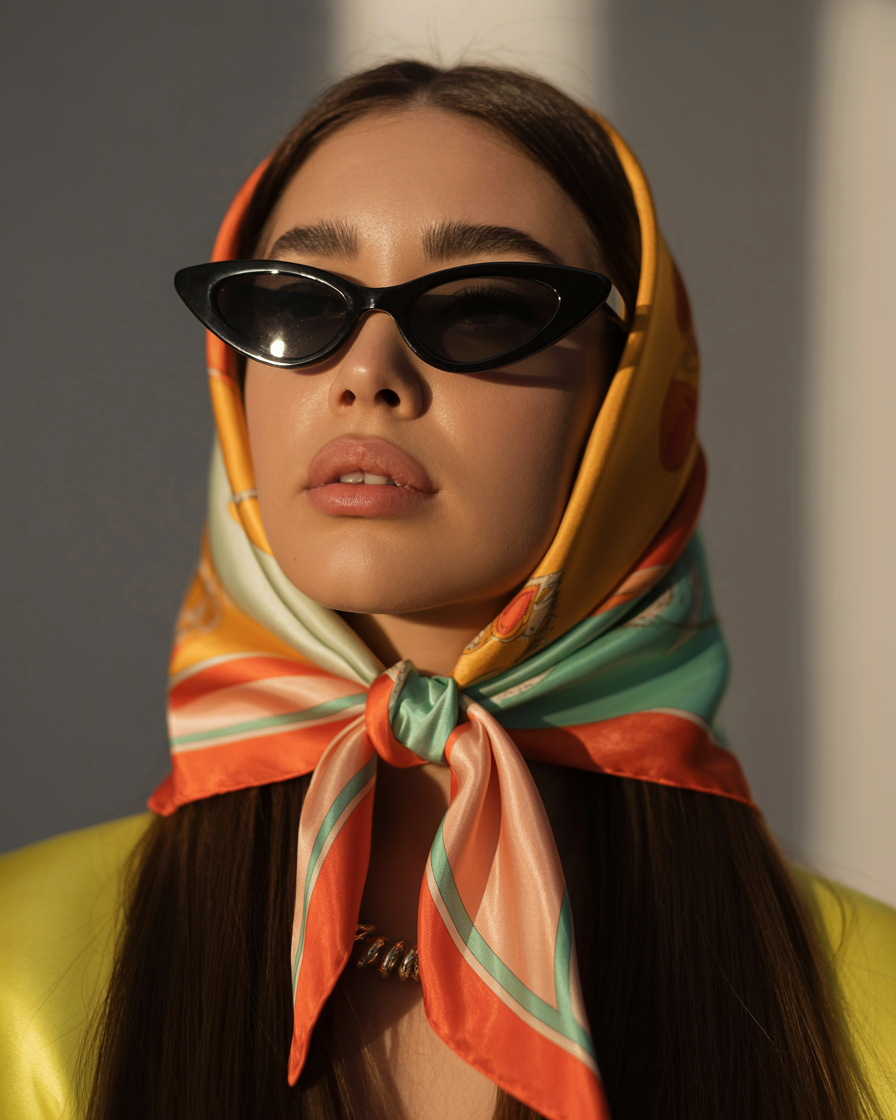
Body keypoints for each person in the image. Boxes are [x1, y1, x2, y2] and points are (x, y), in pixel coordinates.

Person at [1, 60, 894, 1120]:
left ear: (635, 390)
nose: (365, 368)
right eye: (296, 304)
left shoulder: (867, 1006)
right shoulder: (20, 973)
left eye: (480, 307)